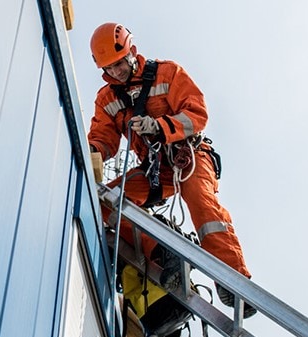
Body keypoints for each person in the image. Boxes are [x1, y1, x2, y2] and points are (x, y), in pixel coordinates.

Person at [87, 22, 255, 317]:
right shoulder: (107, 100)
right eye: (109, 68)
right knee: (102, 202)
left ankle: (233, 279)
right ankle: (163, 253)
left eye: (118, 64)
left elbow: (196, 114)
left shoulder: (167, 73)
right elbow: (103, 138)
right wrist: (91, 152)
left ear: (132, 52)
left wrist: (160, 127)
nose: (115, 72)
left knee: (203, 207)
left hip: (188, 156)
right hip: (154, 170)